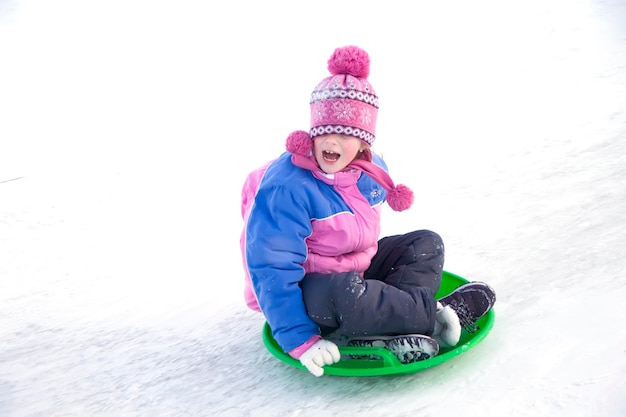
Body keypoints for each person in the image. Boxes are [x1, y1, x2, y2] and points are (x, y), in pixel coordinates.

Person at [240, 46, 496, 377]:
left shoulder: (367, 173)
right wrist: (298, 338)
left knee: (424, 244)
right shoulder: (288, 187)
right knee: (344, 291)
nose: (332, 142)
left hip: (354, 276)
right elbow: (270, 267)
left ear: (363, 142)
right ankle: (435, 317)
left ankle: (395, 324)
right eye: (325, 130)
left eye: (346, 134)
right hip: (306, 295)